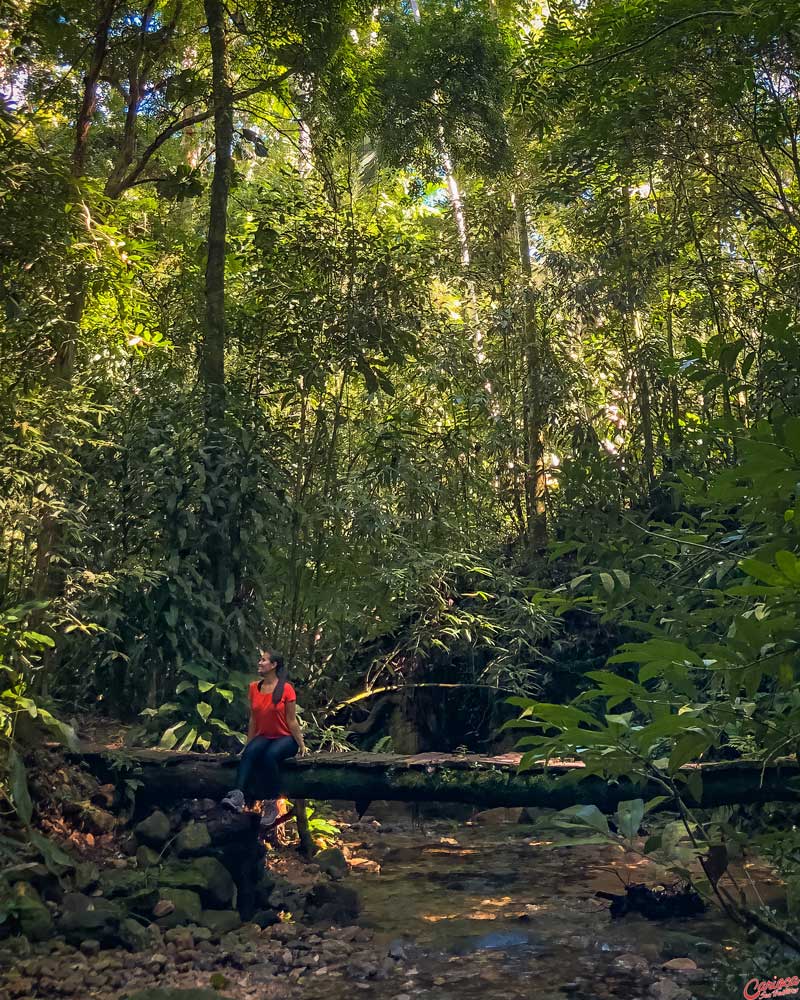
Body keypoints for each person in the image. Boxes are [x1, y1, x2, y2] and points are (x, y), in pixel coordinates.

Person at [221, 648, 306, 833]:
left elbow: (292, 720)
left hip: (286, 738)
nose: (259, 663)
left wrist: (301, 744)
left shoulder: (286, 689)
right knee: (250, 754)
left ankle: (271, 801)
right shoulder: (254, 688)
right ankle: (237, 796)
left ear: (274, 665)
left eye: (263, 660)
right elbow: (253, 719)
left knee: (269, 756)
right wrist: (247, 744)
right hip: (264, 736)